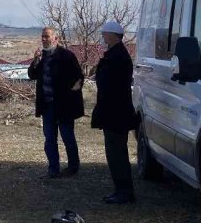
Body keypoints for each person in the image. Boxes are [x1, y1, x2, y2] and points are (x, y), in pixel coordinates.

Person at [28, 27, 84, 179]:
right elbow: (32, 75)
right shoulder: (42, 57)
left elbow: (78, 77)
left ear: (55, 38)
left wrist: (72, 95)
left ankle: (73, 167)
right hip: (47, 106)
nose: (44, 39)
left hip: (64, 106)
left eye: (47, 36)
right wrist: (35, 61)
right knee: (50, 139)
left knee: (67, 137)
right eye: (42, 36)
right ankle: (53, 168)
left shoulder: (66, 56)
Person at [91, 21, 137, 204]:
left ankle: (124, 191)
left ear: (112, 35)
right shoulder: (117, 55)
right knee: (115, 152)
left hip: (115, 113)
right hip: (114, 112)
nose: (103, 37)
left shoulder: (117, 57)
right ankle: (121, 189)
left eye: (105, 34)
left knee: (117, 153)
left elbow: (110, 85)